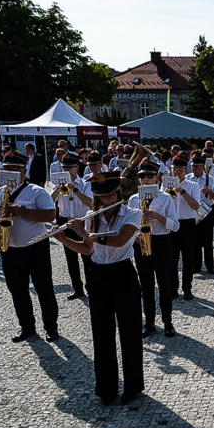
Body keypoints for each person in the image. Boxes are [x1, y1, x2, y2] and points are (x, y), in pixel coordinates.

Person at [56, 171, 144, 405]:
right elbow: (88, 249)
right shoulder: (90, 216)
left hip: (123, 273)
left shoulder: (133, 213)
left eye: (112, 194)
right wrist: (63, 239)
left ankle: (133, 386)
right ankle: (106, 388)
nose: (108, 200)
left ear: (118, 193)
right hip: (98, 275)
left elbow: (119, 240)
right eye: (103, 197)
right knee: (101, 333)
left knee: (130, 331)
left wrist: (85, 233)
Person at [0, 151, 60, 342]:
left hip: (36, 247)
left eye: (15, 170)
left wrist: (21, 211)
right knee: (17, 290)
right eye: (7, 170)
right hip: (10, 249)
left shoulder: (36, 191)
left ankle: (51, 327)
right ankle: (27, 327)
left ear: (23, 172)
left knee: (44, 288)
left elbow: (50, 215)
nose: (10, 173)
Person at [128, 160, 179, 338]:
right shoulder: (134, 199)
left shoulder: (165, 198)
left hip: (161, 242)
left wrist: (157, 216)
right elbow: (129, 225)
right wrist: (135, 236)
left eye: (150, 175)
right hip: (141, 243)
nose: (146, 179)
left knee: (164, 285)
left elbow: (175, 226)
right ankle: (149, 322)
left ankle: (168, 322)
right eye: (142, 176)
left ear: (156, 177)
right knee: (146, 286)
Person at [50, 152, 94, 300]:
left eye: (70, 167)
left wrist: (74, 189)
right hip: (65, 221)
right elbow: (49, 203)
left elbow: (90, 203)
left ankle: (91, 287)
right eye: (64, 168)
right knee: (70, 258)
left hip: (82, 222)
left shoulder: (86, 184)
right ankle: (77, 288)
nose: (67, 170)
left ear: (77, 168)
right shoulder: (59, 184)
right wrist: (57, 188)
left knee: (87, 255)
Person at [168, 156, 201, 300]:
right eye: (174, 170)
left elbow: (195, 206)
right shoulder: (166, 185)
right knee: (172, 259)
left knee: (188, 258)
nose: (177, 173)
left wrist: (182, 191)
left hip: (187, 223)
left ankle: (187, 288)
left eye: (180, 171)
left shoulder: (192, 185)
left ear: (185, 171)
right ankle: (173, 288)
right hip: (172, 223)